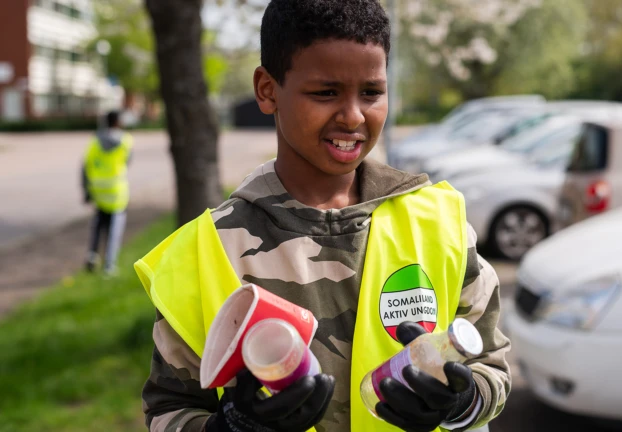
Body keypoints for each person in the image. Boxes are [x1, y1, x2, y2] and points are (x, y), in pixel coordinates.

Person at [135, 0, 512, 431]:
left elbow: (491, 364)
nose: (353, 115)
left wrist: (462, 401)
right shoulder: (208, 250)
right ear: (267, 89)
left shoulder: (439, 223)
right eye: (325, 92)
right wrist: (231, 426)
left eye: (371, 92)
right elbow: (168, 410)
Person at [82, 110, 132, 276]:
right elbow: (127, 161)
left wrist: (86, 190)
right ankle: (109, 265)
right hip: (117, 191)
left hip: (98, 190)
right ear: (118, 122)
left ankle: (92, 255)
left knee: (98, 224)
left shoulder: (95, 141)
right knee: (114, 229)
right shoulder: (126, 140)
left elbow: (86, 165)